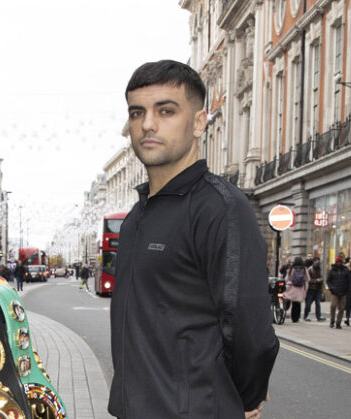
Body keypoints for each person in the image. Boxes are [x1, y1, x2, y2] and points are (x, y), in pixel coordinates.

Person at [109, 60, 278, 419]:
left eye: (166, 110)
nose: (148, 124)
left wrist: (239, 402)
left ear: (199, 122)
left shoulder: (222, 208)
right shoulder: (136, 218)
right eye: (137, 113)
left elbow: (251, 332)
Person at [326, 256, 351, 329]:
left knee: (342, 308)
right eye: (338, 262)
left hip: (343, 292)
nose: (339, 263)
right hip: (334, 292)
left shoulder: (345, 270)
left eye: (340, 262)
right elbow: (328, 281)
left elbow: (349, 281)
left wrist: (348, 290)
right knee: (333, 305)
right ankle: (332, 321)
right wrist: (331, 288)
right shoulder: (332, 270)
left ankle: (338, 323)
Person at [283, 257, 310, 323]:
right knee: (298, 304)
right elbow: (308, 279)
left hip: (293, 288)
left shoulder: (291, 269)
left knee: (293, 304)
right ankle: (297, 317)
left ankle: (293, 318)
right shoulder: (304, 269)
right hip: (300, 289)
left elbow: (286, 279)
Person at [304, 257, 325, 321]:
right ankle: (305, 316)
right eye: (316, 261)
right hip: (311, 289)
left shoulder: (319, 269)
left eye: (318, 261)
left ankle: (318, 317)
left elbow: (321, 277)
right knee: (308, 304)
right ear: (314, 261)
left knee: (318, 303)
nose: (318, 262)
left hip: (318, 289)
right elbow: (308, 280)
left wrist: (321, 280)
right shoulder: (310, 269)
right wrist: (316, 280)